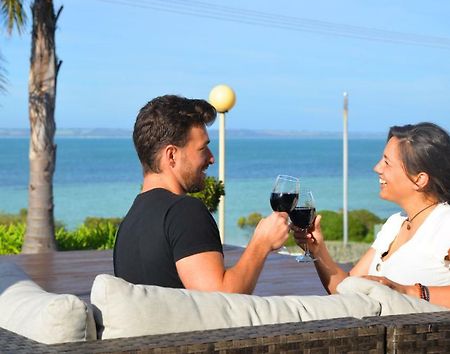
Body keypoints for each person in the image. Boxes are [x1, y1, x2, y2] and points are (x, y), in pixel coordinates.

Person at [114, 95, 289, 293]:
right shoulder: (183, 212)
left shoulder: (129, 223)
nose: (211, 158)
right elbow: (221, 300)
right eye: (202, 148)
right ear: (172, 155)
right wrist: (261, 243)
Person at [293, 122, 450, 308]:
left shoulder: (445, 224)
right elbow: (345, 289)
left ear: (419, 179)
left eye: (387, 162)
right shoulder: (395, 223)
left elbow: (399, 292)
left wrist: (406, 291)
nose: (377, 168)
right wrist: (318, 250)